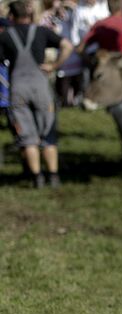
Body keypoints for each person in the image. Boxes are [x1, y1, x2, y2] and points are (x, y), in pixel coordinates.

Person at [0, 0, 73, 188]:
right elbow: (67, 45)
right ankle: (53, 176)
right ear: (30, 15)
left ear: (11, 17)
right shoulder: (42, 32)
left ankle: (36, 178)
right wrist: (55, 65)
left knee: (27, 136)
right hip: (40, 86)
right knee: (48, 133)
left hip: (18, 88)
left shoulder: (5, 36)